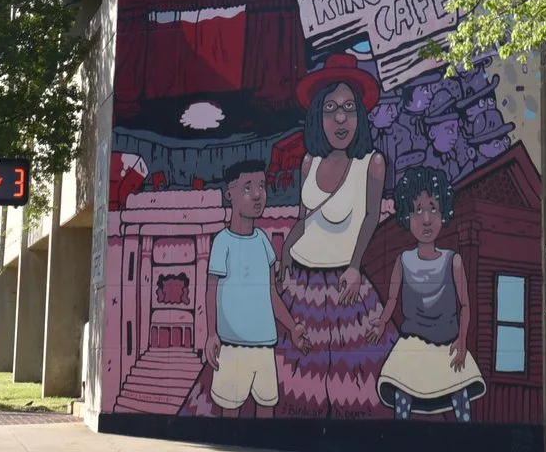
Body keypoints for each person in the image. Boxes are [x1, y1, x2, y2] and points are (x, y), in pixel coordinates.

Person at [273, 53, 393, 417]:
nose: (340, 119)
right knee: (290, 380)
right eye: (330, 108)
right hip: (299, 287)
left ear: (360, 114)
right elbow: (303, 218)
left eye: (348, 108)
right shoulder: (308, 161)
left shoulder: (370, 163)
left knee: (353, 382)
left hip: (344, 287)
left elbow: (371, 216)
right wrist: (285, 254)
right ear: (317, 117)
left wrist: (355, 266)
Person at [376, 165, 485, 420]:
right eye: (418, 210)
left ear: (444, 212)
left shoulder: (453, 261)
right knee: (403, 394)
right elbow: (392, 299)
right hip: (412, 345)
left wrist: (461, 340)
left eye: (433, 208)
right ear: (406, 216)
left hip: (447, 345)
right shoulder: (402, 261)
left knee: (460, 398)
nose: (426, 219)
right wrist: (381, 323)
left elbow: (465, 306)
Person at [206, 160, 293, 418]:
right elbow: (211, 291)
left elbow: (272, 295)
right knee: (229, 412)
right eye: (247, 187)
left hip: (264, 346)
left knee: (267, 410)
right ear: (229, 195)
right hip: (231, 347)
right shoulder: (222, 243)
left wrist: (292, 326)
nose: (257, 194)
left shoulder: (264, 243)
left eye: (262, 186)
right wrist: (211, 335)